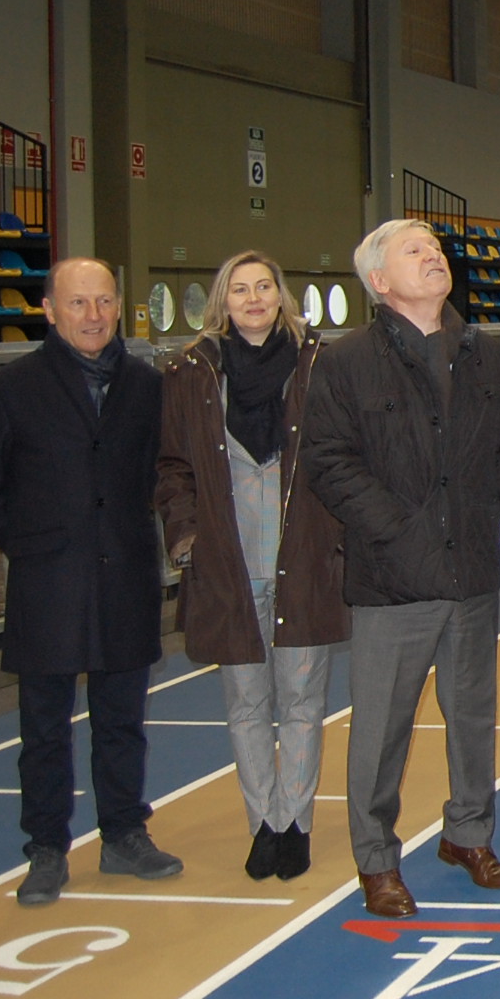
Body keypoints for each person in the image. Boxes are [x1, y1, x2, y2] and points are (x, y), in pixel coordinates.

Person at [301, 219, 500, 919]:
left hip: (472, 571)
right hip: (392, 578)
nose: (433, 256)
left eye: (435, 248)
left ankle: (469, 836)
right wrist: (400, 531)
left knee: (473, 717)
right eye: (415, 250)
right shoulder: (345, 362)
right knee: (381, 730)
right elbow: (329, 463)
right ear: (378, 281)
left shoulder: (483, 352)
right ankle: (376, 860)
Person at [0, 258, 181, 906]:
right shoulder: (11, 387)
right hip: (46, 583)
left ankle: (124, 834)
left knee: (122, 721)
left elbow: (161, 471)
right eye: (78, 303)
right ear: (50, 311)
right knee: (44, 729)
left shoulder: (147, 385)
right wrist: (28, 541)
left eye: (104, 301)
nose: (93, 315)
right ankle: (47, 848)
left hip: (127, 577)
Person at [156, 251, 347, 881]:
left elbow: (345, 454)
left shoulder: (319, 364)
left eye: (264, 285)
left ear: (280, 294)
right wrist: (187, 537)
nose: (254, 298)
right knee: (245, 703)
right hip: (229, 568)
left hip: (303, 562)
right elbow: (173, 466)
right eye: (239, 289)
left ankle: (296, 823)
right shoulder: (191, 373)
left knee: (302, 701)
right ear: (223, 301)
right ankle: (262, 823)